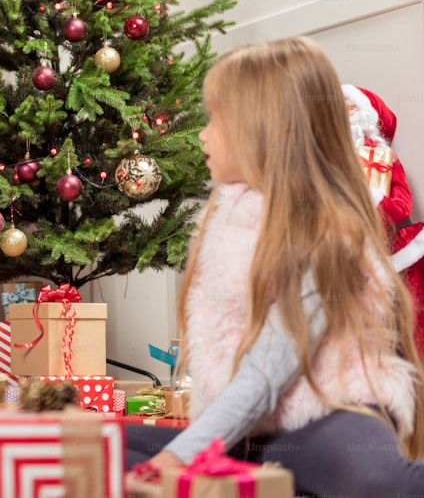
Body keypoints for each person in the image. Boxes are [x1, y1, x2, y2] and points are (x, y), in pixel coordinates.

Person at [124, 37, 424, 495]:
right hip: (249, 434)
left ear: (262, 128)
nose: (202, 134)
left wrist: (180, 457)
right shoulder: (227, 219)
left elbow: (267, 374)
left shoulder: (323, 229)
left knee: (377, 480)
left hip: (323, 418)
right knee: (107, 446)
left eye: (215, 119)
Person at [343, 84, 424, 359]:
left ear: (365, 116)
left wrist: (372, 198)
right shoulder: (327, 163)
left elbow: (403, 205)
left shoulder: (384, 159)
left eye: (350, 106)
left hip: (387, 248)